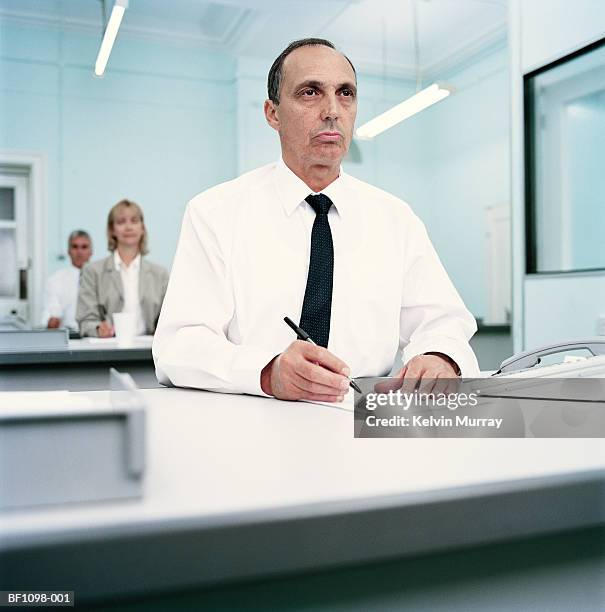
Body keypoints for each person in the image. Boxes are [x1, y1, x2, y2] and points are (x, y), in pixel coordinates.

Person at [153, 38, 479, 402]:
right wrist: (268, 371)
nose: (332, 110)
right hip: (252, 418)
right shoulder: (214, 213)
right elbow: (178, 346)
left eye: (345, 94)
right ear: (272, 113)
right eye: (310, 92)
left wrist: (439, 355)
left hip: (365, 419)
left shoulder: (396, 219)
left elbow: (443, 321)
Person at [77, 199, 169, 338]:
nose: (128, 227)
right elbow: (86, 320)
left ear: (142, 228)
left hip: (148, 352)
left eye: (134, 221)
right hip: (107, 351)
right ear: (112, 230)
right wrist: (98, 329)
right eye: (121, 222)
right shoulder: (92, 271)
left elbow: (170, 318)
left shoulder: (160, 274)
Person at [41, 230, 92, 330]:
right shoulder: (55, 280)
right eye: (75, 247)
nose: (79, 252)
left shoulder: (102, 279)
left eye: (84, 247)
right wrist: (51, 320)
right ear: (68, 251)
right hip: (68, 336)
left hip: (97, 337)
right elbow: (49, 312)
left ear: (91, 251)